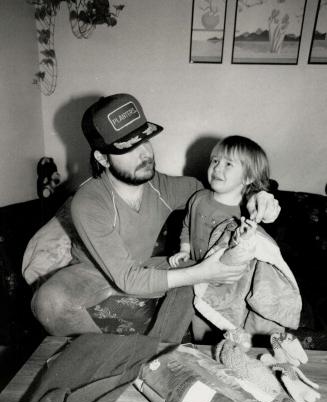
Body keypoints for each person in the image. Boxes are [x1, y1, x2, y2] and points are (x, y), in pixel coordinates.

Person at [31, 94, 280, 342]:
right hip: (92, 274)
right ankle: (117, 352)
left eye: (145, 140)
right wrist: (202, 272)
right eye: (128, 147)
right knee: (48, 303)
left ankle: (166, 348)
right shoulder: (88, 201)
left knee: (213, 280)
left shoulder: (163, 186)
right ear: (102, 158)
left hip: (145, 267)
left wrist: (258, 194)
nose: (145, 154)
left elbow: (220, 192)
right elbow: (127, 278)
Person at [169, 135, 271, 341]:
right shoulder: (198, 198)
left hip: (225, 281)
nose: (217, 168)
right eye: (214, 161)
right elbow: (187, 226)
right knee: (197, 322)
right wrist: (184, 249)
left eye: (228, 164)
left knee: (222, 325)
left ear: (248, 177)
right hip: (196, 270)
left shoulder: (244, 213)